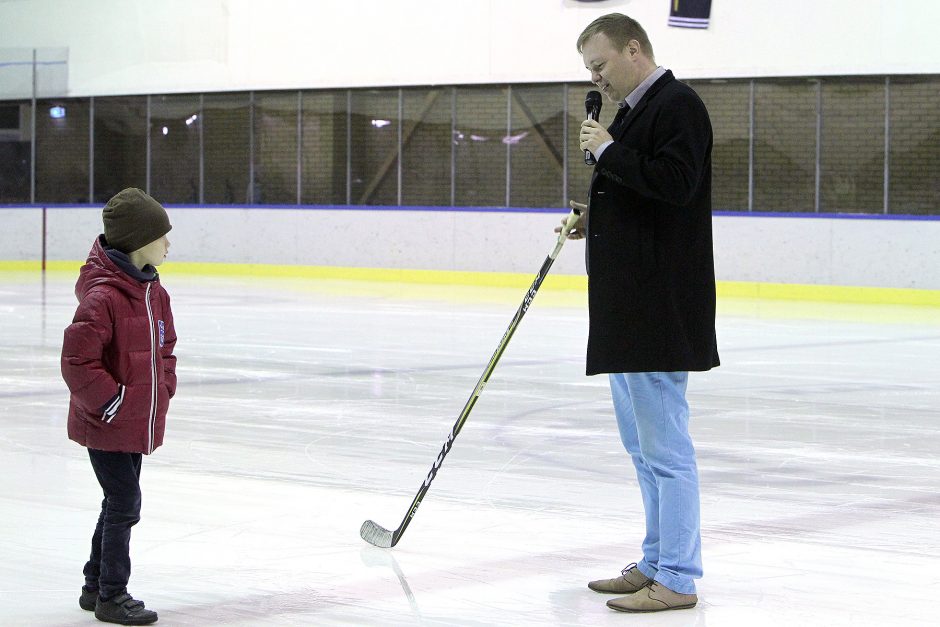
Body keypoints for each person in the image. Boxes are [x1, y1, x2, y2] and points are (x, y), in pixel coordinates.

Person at [557, 13, 720, 613]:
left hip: (658, 306)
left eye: (600, 66)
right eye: (588, 71)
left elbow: (677, 185)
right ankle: (655, 561)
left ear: (633, 49)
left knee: (667, 450)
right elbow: (641, 193)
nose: (596, 79)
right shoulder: (628, 115)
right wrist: (593, 220)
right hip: (626, 307)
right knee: (642, 448)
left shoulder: (678, 105)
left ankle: (677, 575)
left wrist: (608, 149)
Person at [61, 187, 176, 626]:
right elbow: (77, 362)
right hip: (107, 423)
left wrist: (163, 387)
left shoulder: (153, 293)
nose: (169, 244)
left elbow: (166, 348)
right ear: (137, 241)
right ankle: (113, 595)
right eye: (162, 235)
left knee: (116, 503)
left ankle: (94, 587)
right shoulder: (104, 297)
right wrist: (112, 403)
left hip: (133, 421)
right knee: (125, 503)